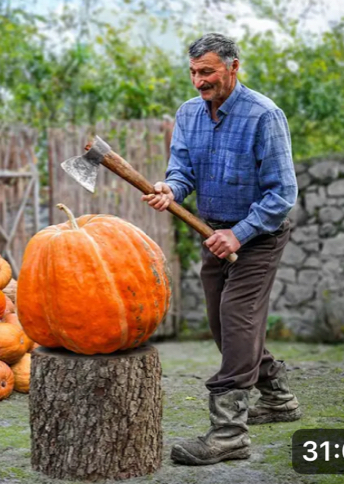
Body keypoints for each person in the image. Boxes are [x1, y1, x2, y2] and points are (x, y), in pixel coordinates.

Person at [142, 33, 301, 466]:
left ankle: (230, 433)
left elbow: (283, 193)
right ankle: (279, 396)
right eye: (193, 72)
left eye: (207, 71)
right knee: (222, 324)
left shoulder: (264, 115)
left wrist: (240, 233)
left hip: (260, 234)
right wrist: (168, 188)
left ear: (233, 67)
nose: (198, 81)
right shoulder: (189, 114)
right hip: (212, 232)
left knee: (236, 318)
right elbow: (182, 171)